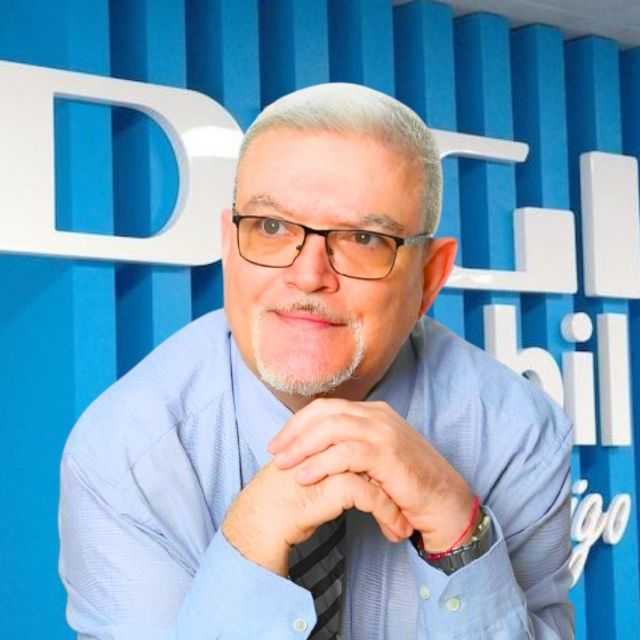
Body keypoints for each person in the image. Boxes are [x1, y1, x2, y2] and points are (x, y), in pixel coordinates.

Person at [58, 82, 574, 639]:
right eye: (271, 227)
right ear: (228, 245)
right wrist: (247, 553)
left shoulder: (517, 436)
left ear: (429, 277)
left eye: (363, 238)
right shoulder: (127, 452)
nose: (307, 276)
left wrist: (461, 536)